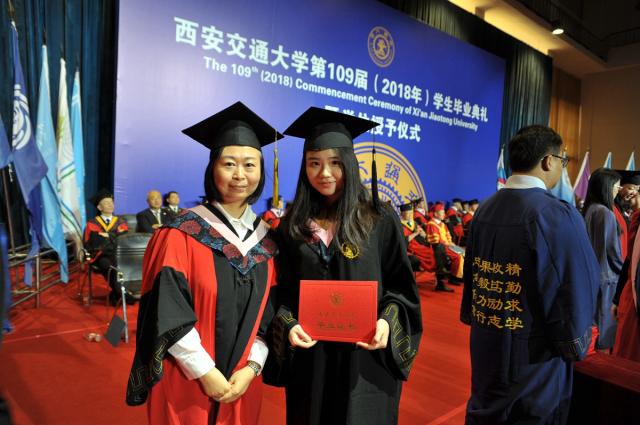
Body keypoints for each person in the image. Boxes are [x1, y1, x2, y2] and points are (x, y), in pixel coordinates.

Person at [126, 102, 282, 425]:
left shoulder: (267, 241)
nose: (240, 175)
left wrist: (253, 368)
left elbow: (270, 314)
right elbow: (166, 309)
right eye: (229, 164)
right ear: (213, 168)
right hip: (187, 381)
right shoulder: (181, 232)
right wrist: (205, 371)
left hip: (243, 383)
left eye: (250, 165)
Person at [271, 107, 422, 425]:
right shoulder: (292, 225)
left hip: (365, 359)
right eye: (314, 163)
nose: (324, 173)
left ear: (350, 164)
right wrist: (289, 324)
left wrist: (386, 323)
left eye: (335, 162)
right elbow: (281, 291)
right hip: (311, 360)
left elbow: (400, 287)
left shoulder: (378, 218)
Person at [460, 125, 599, 425]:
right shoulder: (554, 214)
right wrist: (575, 343)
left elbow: (473, 277)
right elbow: (574, 287)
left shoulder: (485, 209)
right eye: (563, 161)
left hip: (487, 345)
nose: (562, 167)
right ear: (548, 161)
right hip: (535, 362)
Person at [583, 168, 623, 352]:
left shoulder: (590, 209)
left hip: (591, 277)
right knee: (604, 338)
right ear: (606, 187)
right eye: (616, 185)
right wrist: (626, 273)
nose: (619, 188)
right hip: (607, 280)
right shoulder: (605, 213)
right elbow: (612, 252)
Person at [83, 189, 129, 304]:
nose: (110, 205)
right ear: (99, 207)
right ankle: (121, 293)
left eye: (111, 202)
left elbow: (123, 237)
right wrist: (114, 235)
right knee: (107, 265)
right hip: (100, 255)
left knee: (119, 264)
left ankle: (116, 293)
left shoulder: (121, 221)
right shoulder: (92, 223)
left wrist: (106, 235)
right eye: (106, 203)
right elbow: (94, 242)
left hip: (119, 254)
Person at [399, 202, 452, 292]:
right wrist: (415, 233)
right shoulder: (399, 225)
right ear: (402, 214)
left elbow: (425, 237)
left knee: (439, 247)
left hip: (422, 246)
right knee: (436, 255)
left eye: (411, 212)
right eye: (408, 213)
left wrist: (423, 234)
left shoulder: (414, 223)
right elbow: (402, 242)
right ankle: (441, 272)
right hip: (412, 249)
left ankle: (441, 280)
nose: (410, 215)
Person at [426, 203, 464, 283]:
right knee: (458, 256)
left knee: (463, 252)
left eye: (444, 212)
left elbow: (448, 235)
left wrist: (450, 243)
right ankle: (454, 277)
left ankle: (461, 275)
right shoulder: (431, 224)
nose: (444, 214)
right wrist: (448, 244)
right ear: (436, 214)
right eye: (442, 212)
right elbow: (435, 241)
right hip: (439, 248)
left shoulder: (442, 224)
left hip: (447, 246)